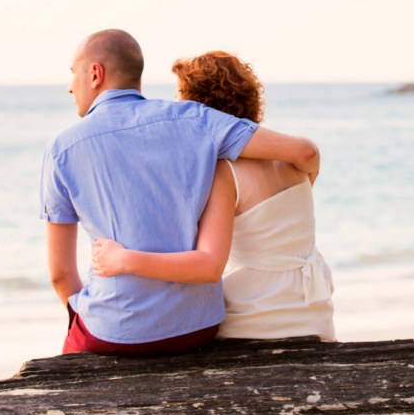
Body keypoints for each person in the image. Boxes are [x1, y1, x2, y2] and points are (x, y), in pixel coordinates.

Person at [41, 30, 320, 356]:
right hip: (199, 327)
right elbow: (304, 152)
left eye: (72, 74)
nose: (71, 86)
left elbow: (60, 275)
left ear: (94, 73)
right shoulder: (197, 120)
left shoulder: (61, 148)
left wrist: (82, 315)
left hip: (114, 332)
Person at [91, 51, 336, 341]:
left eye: (181, 96)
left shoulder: (224, 172)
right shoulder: (294, 160)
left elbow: (208, 265)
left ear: (199, 105)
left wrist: (124, 260)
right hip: (314, 313)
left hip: (256, 319)